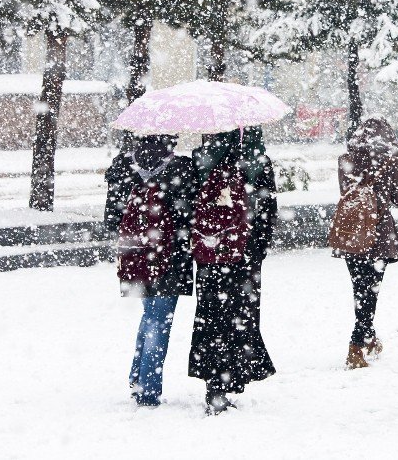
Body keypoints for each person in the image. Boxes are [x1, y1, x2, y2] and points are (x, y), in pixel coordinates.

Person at [187, 127, 277, 415]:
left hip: (210, 253)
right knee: (240, 316)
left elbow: (190, 208)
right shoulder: (257, 160)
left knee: (210, 315)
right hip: (244, 255)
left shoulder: (201, 159)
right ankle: (233, 376)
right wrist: (257, 247)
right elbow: (267, 209)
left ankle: (213, 383)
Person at [104, 134, 194, 408]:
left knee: (150, 315)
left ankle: (138, 376)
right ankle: (147, 389)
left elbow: (111, 218)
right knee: (159, 320)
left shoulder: (122, 165)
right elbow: (189, 218)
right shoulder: (181, 168)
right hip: (170, 258)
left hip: (135, 257)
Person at [334, 117, 398, 369]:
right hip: (378, 233)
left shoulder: (345, 159)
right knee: (371, 291)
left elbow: (346, 193)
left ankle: (369, 337)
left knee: (360, 289)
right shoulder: (389, 159)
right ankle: (356, 347)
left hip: (352, 232)